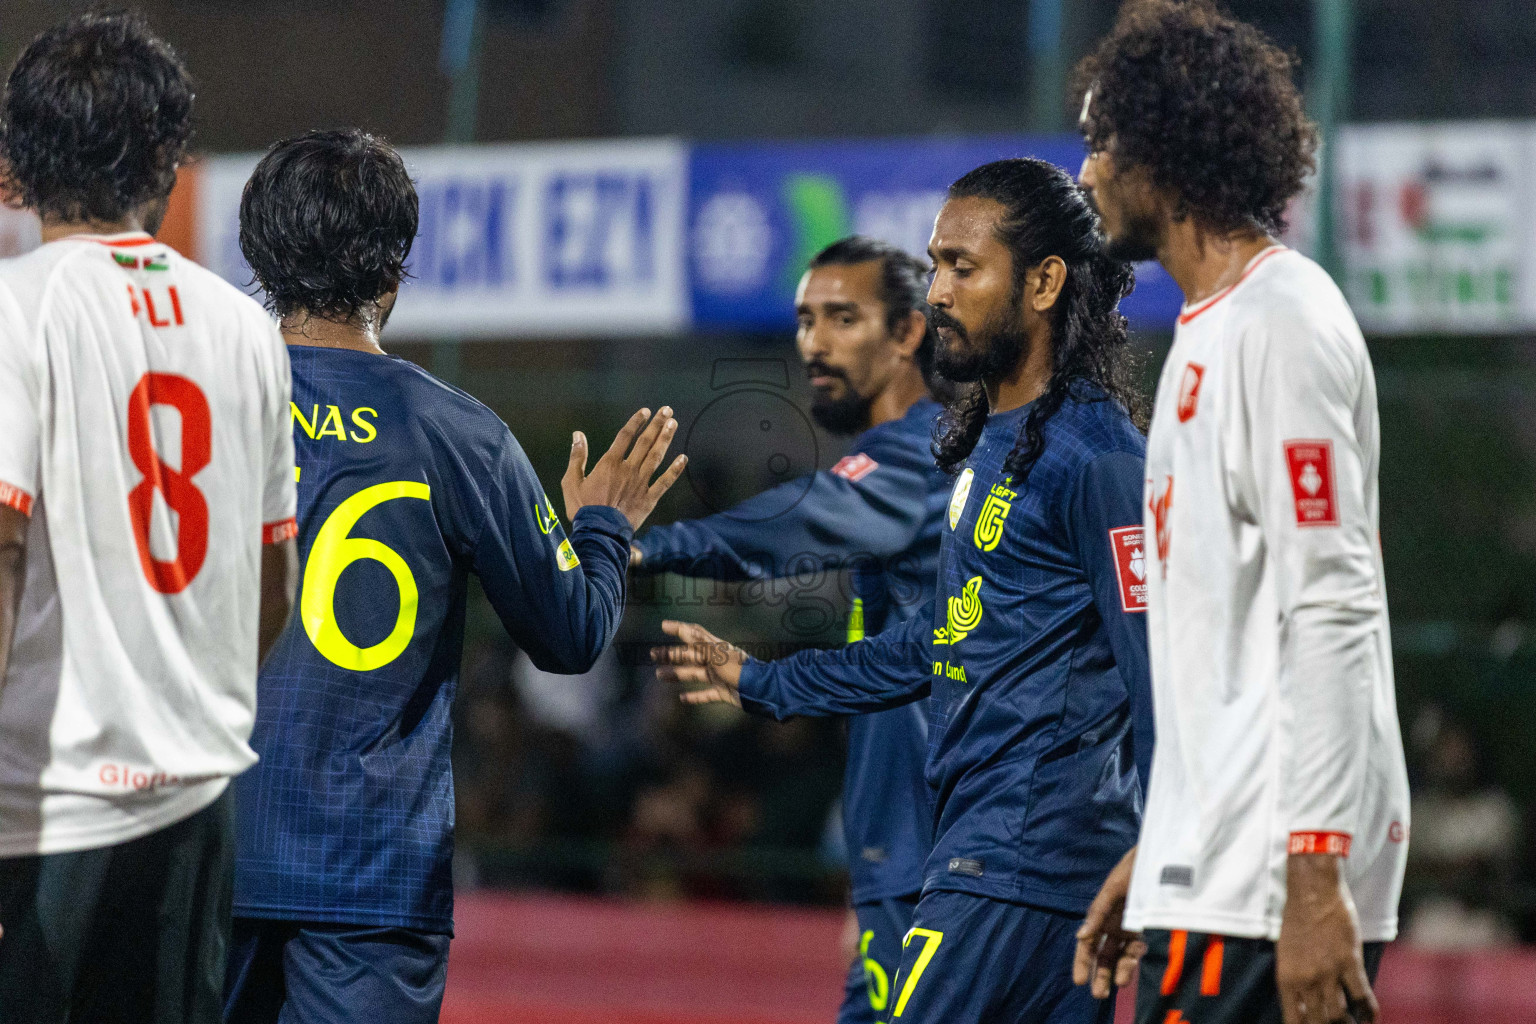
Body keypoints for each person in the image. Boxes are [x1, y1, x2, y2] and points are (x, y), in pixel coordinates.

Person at [654, 158, 1153, 1024]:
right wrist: (765, 681)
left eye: (964, 266)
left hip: (1025, 859)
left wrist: (1161, 850)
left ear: (1042, 282)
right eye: (936, 266)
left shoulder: (1099, 458)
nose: (941, 292)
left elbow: (1161, 666)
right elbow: (934, 641)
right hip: (990, 859)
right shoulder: (988, 448)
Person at [223, 129, 685, 1024]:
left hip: (203, 860)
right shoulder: (459, 435)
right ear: (397, 270)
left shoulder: (192, 409)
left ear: (259, 255)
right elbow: (572, 635)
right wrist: (599, 525)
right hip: (371, 888)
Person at [1070, 5, 1411, 1024]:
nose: (1084, 171)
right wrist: (1167, 844)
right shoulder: (1206, 331)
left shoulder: (1284, 325)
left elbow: (1333, 610)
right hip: (1221, 868)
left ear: (1164, 152)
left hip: (1274, 886)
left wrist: (1313, 878)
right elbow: (1224, 647)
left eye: (1101, 141)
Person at [0, 13, 299, 1022]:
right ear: (168, 160)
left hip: (43, 808)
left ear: (18, 161)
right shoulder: (246, 326)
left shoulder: (16, 309)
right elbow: (274, 584)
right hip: (196, 794)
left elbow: (0, 556)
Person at [632, 235, 948, 1023]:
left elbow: (794, 526)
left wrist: (642, 543)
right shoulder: (917, 455)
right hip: (906, 865)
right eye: (807, 319)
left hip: (938, 870)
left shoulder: (919, 458)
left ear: (909, 332)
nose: (815, 341)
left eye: (844, 317)